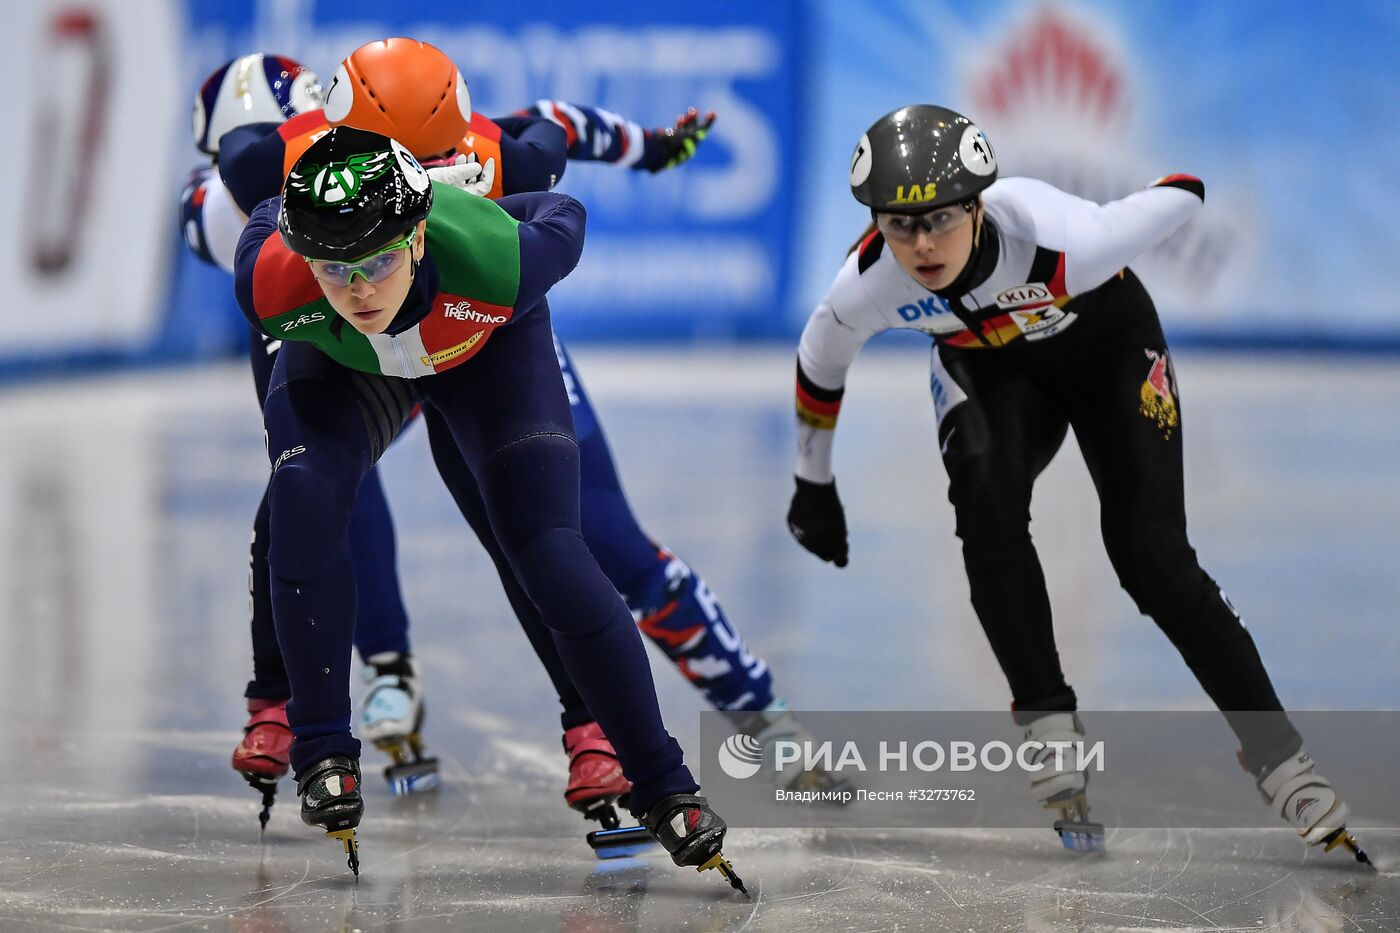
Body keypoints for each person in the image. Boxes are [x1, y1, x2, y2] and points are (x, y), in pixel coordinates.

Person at [186, 39, 820, 829]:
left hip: (466, 323)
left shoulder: (479, 186)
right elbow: (560, 125)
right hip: (351, 339)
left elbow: (551, 137)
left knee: (575, 536)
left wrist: (649, 148)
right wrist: (648, 148)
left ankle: (720, 712)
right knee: (309, 494)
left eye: (442, 160)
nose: (416, 179)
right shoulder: (262, 192)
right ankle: (350, 683)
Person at [785, 104, 1368, 863]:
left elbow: (1182, 189)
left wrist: (1164, 198)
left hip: (1106, 346)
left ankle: (1279, 755)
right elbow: (819, 363)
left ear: (978, 204)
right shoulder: (865, 284)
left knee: (1152, 558)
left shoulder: (1068, 241)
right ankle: (1047, 725)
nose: (922, 244)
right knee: (985, 509)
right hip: (992, 369)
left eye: (940, 220)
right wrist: (813, 484)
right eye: (900, 224)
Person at [231, 125, 746, 892]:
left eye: (374, 259)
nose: (359, 287)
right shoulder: (275, 279)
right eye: (335, 268)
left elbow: (563, 210)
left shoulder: (498, 253)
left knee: (551, 553)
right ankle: (322, 747)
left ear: (414, 232)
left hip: (485, 347)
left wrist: (458, 196)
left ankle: (664, 780)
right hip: (346, 365)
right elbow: (267, 212)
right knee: (301, 503)